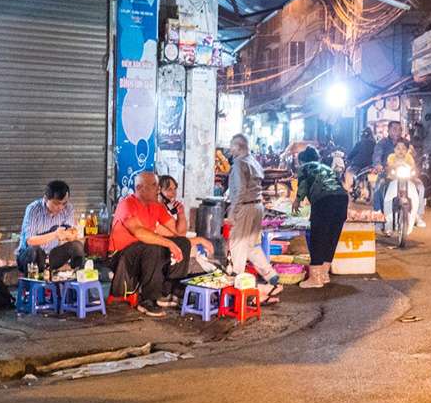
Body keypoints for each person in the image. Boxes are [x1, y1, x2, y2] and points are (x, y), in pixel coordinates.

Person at [109, 172, 213, 318]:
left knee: (181, 243)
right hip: (121, 256)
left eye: (157, 185)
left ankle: (169, 289)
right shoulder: (126, 204)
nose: (157, 189)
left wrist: (184, 217)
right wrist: (168, 243)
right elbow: (139, 232)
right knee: (154, 246)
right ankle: (147, 300)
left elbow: (178, 233)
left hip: (145, 252)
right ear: (139, 187)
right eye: (153, 185)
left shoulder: (156, 206)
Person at [225, 134, 282, 303]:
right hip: (257, 206)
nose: (230, 150)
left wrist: (232, 213)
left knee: (237, 244)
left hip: (245, 207)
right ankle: (271, 276)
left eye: (231, 146)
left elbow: (239, 191)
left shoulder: (239, 164)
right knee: (250, 245)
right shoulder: (253, 161)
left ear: (238, 147)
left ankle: (238, 283)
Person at [293, 147, 348, 289]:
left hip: (324, 200)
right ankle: (324, 274)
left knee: (318, 236)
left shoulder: (304, 167)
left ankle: (315, 279)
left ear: (302, 160)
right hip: (342, 199)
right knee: (331, 236)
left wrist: (297, 201)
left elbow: (303, 186)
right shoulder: (324, 166)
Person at [17, 180, 85, 274]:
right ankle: (39, 278)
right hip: (29, 256)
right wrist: (55, 234)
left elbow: (69, 233)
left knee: (77, 246)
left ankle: (75, 276)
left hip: (51, 255)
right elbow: (30, 241)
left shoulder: (68, 208)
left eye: (64, 203)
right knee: (35, 250)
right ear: (46, 198)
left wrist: (71, 235)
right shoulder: (33, 209)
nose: (60, 207)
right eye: (56, 203)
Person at [385, 140, 427, 227]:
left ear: (407, 150)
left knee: (420, 186)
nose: (400, 151)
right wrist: (395, 166)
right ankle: (384, 216)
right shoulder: (391, 157)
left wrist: (412, 171)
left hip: (408, 180)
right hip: (393, 180)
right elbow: (390, 165)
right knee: (383, 187)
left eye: (403, 148)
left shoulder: (409, 157)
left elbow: (413, 167)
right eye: (398, 148)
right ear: (394, 149)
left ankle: (418, 215)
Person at [372, 121, 403, 214]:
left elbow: (412, 154)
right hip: (387, 171)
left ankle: (417, 214)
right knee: (379, 185)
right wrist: (378, 164)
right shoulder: (382, 143)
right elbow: (377, 154)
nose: (397, 132)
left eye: (400, 130)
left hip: (404, 172)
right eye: (394, 129)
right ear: (389, 130)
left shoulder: (405, 143)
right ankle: (378, 211)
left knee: (420, 186)